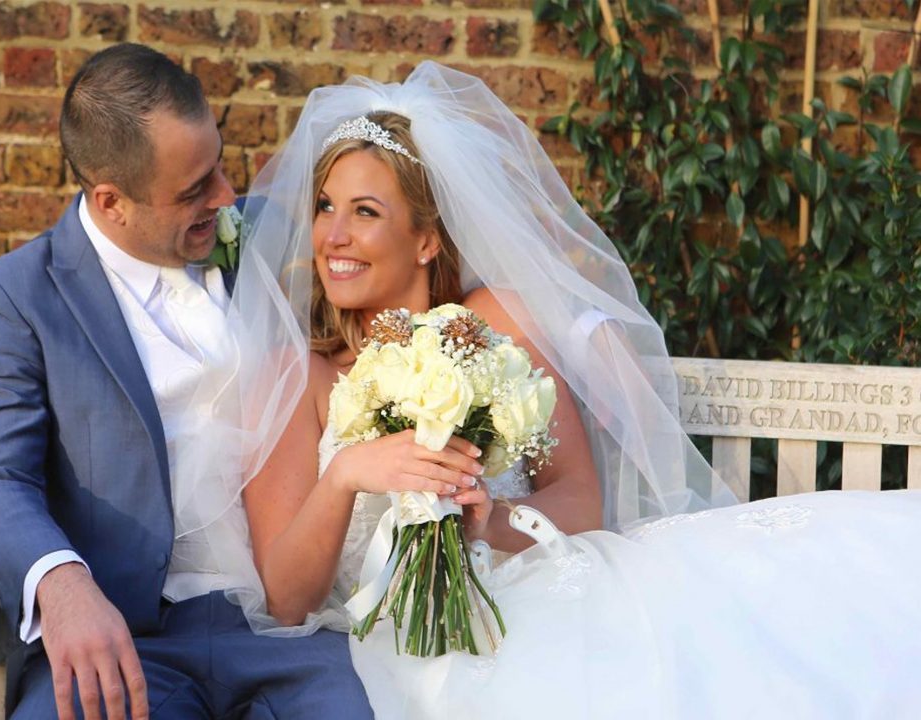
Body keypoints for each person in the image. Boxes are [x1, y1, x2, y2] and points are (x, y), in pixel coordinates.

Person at [232, 62, 921, 718]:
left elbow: (580, 499)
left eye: (364, 212)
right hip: (400, 644)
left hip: (536, 593)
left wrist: (492, 523)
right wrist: (348, 473)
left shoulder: (496, 322)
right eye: (325, 206)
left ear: (426, 240)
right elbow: (286, 601)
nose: (333, 235)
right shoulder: (300, 377)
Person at [0, 43, 372, 719]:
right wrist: (61, 585)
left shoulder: (277, 235)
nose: (227, 197)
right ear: (111, 201)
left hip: (291, 632)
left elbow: (405, 285)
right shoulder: (20, 296)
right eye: (194, 191)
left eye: (219, 168)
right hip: (128, 639)